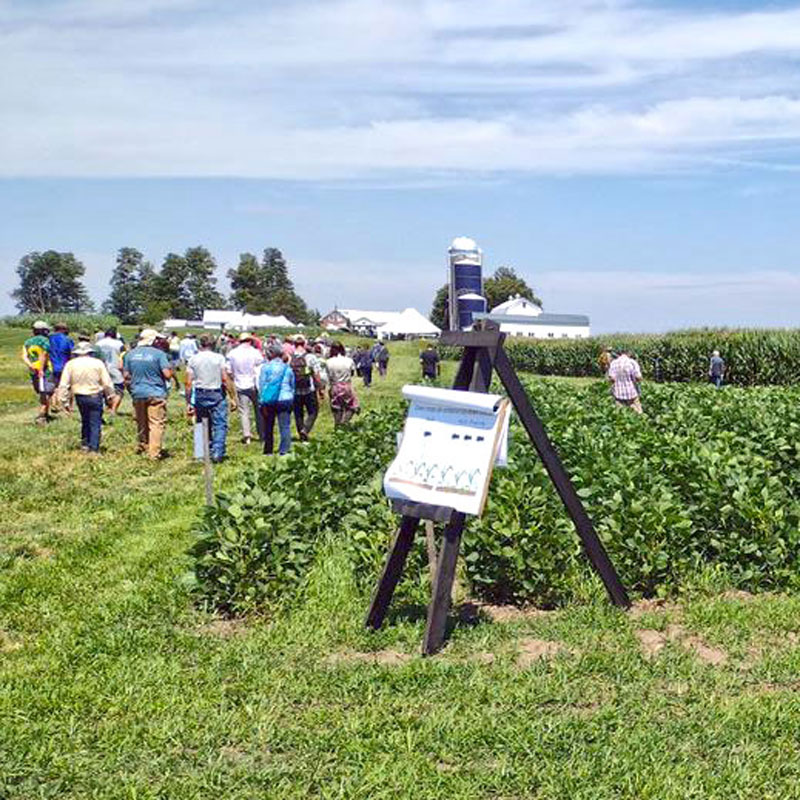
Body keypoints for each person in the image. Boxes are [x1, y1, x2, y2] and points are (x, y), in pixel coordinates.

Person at [57, 341, 117, 452]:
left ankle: (85, 443)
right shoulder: (98, 363)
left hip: (80, 396)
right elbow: (107, 382)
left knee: (85, 420)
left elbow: (64, 384)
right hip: (94, 395)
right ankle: (94, 448)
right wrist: (110, 396)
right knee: (95, 422)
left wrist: (64, 401)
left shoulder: (70, 364)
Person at [122, 329, 173, 460]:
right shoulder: (159, 354)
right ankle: (154, 453)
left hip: (138, 392)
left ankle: (143, 445)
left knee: (141, 421)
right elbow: (167, 374)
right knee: (156, 423)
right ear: (153, 340)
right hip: (156, 392)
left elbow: (126, 375)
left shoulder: (130, 354)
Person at [186, 335, 235, 463]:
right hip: (216, 392)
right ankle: (217, 452)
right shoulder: (219, 358)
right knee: (219, 424)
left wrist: (188, 401)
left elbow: (188, 382)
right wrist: (232, 397)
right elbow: (224, 378)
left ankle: (200, 452)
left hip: (200, 393)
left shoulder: (193, 359)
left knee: (200, 423)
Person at [226, 332, 264, 445]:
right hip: (254, 383)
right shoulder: (255, 352)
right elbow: (260, 366)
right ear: (250, 341)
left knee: (244, 411)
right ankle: (262, 434)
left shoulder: (232, 353)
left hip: (240, 383)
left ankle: (247, 435)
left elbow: (229, 371)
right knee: (259, 410)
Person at [258, 344, 295, 455]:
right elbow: (292, 385)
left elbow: (262, 385)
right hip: (286, 398)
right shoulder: (287, 368)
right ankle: (284, 449)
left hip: (270, 399)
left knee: (268, 425)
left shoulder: (266, 367)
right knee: (285, 426)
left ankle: (268, 450)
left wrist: (261, 400)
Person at [21, 320, 55, 424]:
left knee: (41, 392)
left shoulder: (27, 342)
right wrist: (41, 369)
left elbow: (24, 356)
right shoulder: (45, 341)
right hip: (46, 370)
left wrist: (31, 365)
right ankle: (42, 416)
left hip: (33, 370)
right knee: (47, 393)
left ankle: (45, 413)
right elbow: (43, 355)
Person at [291, 336, 323, 441]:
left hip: (295, 390)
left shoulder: (289, 357)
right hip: (309, 389)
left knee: (298, 413)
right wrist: (320, 389)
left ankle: (302, 436)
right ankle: (306, 429)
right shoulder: (310, 357)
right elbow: (316, 375)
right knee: (313, 411)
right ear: (304, 344)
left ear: (294, 344)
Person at [326, 341, 359, 426]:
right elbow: (352, 373)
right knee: (351, 406)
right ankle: (345, 422)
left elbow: (328, 375)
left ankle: (337, 425)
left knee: (336, 408)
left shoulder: (329, 361)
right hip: (346, 385)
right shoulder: (349, 360)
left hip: (335, 386)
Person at [96, 328, 126, 415]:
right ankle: (113, 409)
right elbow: (124, 355)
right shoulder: (119, 344)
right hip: (115, 369)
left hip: (101, 369)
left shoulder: (98, 344)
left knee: (103, 389)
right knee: (118, 390)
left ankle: (104, 407)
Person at [607, 349, 643, 413]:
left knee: (620, 415)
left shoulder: (613, 363)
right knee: (638, 414)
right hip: (632, 393)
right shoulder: (632, 362)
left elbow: (611, 379)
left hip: (618, 394)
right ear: (628, 353)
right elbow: (638, 377)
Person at [48, 323, 74, 395]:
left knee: (54, 388)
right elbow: (72, 353)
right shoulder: (68, 340)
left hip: (52, 366)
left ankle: (54, 403)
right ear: (62, 330)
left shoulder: (50, 338)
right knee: (66, 388)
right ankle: (65, 404)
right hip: (65, 367)